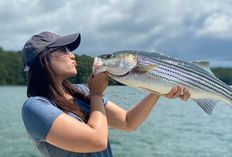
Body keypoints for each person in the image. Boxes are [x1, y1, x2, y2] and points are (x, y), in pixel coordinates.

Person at [21, 31, 190, 157]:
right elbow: (97, 141)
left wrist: (158, 90)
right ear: (43, 60)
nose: (72, 55)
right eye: (63, 50)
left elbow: (128, 122)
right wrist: (96, 94)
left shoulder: (82, 91)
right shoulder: (35, 107)